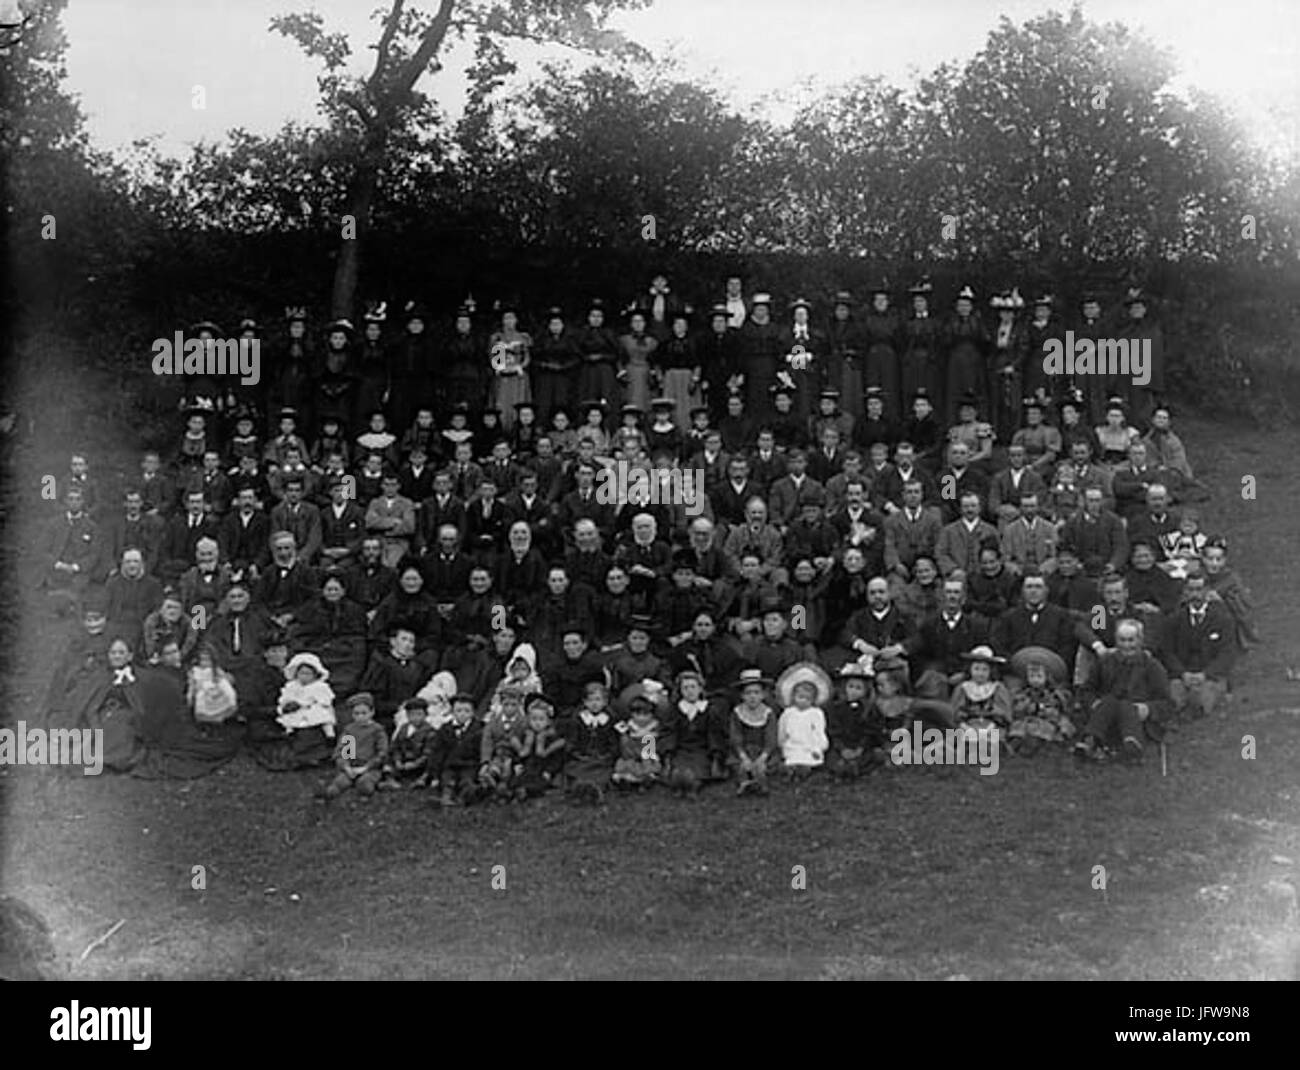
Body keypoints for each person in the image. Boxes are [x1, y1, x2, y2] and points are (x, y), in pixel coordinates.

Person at [1074, 619, 1170, 763]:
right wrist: (1093, 703)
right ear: (1116, 640)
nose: (1126, 645)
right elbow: (1087, 689)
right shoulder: (1105, 661)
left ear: (1140, 641)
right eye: (1122, 640)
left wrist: (1148, 709)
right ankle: (1090, 740)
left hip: (1136, 717)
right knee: (1109, 702)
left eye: (1131, 640)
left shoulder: (1152, 666)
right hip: (1105, 716)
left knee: (1126, 706)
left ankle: (1132, 746)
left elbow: (1167, 702)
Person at [1162, 573, 1237, 719]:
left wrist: (1206, 674)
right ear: (1185, 591)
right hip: (1182, 675)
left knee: (1201, 701)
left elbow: (1227, 653)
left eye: (1199, 589)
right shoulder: (1174, 620)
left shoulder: (1223, 619)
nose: (1195, 594)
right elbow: (1167, 652)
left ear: (1207, 590)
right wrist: (1182, 673)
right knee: (1173, 701)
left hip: (1210, 676)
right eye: (1191, 590)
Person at [661, 669, 726, 795]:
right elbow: (669, 732)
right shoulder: (676, 710)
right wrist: (667, 753)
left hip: (702, 749)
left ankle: (693, 784)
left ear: (700, 688)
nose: (690, 691)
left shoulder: (709, 710)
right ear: (680, 691)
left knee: (696, 770)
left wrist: (716, 755)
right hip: (682, 749)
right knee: (679, 771)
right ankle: (680, 782)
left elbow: (715, 734)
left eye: (693, 687)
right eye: (685, 688)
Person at [561, 680, 620, 803]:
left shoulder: (609, 719)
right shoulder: (579, 719)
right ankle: (579, 790)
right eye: (590, 700)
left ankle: (595, 790)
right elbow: (573, 739)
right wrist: (575, 753)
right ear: (584, 702)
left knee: (602, 771)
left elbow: (613, 741)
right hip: (583, 755)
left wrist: (609, 754)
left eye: (598, 700)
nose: (594, 703)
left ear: (605, 702)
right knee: (577, 769)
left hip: (602, 755)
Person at [322, 692, 388, 800]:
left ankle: (367, 788)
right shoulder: (350, 730)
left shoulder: (377, 730)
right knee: (339, 783)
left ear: (372, 712)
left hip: (370, 767)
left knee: (365, 783)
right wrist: (346, 766)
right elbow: (343, 751)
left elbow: (382, 753)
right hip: (351, 766)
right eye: (356, 714)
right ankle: (333, 791)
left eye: (364, 713)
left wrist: (367, 767)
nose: (360, 717)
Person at [825, 662, 884, 779]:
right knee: (834, 761)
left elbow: (872, 731)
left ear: (866, 691)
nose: (853, 691)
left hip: (861, 745)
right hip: (841, 744)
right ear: (844, 687)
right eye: (850, 686)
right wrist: (842, 748)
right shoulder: (835, 708)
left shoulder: (870, 710)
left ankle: (856, 766)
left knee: (869, 758)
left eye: (858, 688)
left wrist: (860, 748)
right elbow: (833, 729)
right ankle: (844, 766)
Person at [776, 663, 831, 779]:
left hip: (810, 745)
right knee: (792, 756)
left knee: (810, 759)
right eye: (800, 697)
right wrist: (781, 744)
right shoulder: (788, 713)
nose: (803, 701)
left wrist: (819, 747)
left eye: (807, 698)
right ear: (793, 696)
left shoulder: (816, 713)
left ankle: (805, 769)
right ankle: (791, 769)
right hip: (792, 744)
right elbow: (782, 730)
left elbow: (819, 731)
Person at [429, 694, 485, 806]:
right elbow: (438, 752)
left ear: (473, 712)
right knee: (447, 779)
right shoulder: (445, 729)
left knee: (467, 780)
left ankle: (464, 798)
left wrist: (482, 766)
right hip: (450, 764)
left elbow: (482, 750)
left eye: (467, 711)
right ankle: (446, 797)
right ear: (452, 712)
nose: (462, 714)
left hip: (470, 764)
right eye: (458, 710)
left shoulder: (480, 728)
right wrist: (434, 774)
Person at [730, 668, 778, 796]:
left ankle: (760, 782)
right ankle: (744, 782)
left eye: (756, 693)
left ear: (763, 695)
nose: (752, 696)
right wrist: (743, 756)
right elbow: (736, 736)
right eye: (748, 693)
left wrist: (763, 756)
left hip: (762, 749)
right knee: (739, 765)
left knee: (766, 765)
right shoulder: (737, 712)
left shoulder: (768, 713)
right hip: (744, 750)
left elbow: (771, 737)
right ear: (742, 696)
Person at [509, 694, 567, 800]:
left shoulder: (551, 738)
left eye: (541, 719)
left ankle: (529, 792)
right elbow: (517, 752)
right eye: (534, 719)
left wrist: (549, 770)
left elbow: (557, 758)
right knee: (518, 779)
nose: (537, 723)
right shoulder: (526, 735)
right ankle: (516, 791)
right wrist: (517, 763)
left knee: (540, 782)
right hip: (527, 766)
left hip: (543, 767)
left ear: (549, 721)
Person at [611, 682, 667, 789]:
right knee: (627, 765)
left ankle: (646, 778)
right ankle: (627, 780)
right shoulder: (630, 725)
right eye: (637, 714)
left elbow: (655, 745)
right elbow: (625, 743)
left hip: (647, 755)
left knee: (648, 760)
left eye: (645, 714)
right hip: (632, 753)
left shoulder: (654, 726)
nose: (641, 718)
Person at [950, 646, 1013, 738]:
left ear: (990, 671)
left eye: (984, 669)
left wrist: (987, 730)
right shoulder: (962, 688)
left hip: (992, 728)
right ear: (970, 669)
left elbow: (1002, 715)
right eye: (976, 669)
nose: (980, 673)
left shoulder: (998, 689)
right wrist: (967, 729)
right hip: (967, 728)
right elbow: (956, 715)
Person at [277, 651, 337, 740]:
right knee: (289, 716)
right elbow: (286, 697)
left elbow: (325, 700)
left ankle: (329, 734)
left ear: (315, 675)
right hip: (297, 708)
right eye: (302, 673)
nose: (304, 677)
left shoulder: (319, 686)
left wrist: (315, 704)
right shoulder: (292, 686)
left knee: (324, 716)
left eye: (308, 674)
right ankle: (289, 731)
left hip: (313, 707)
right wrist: (288, 704)